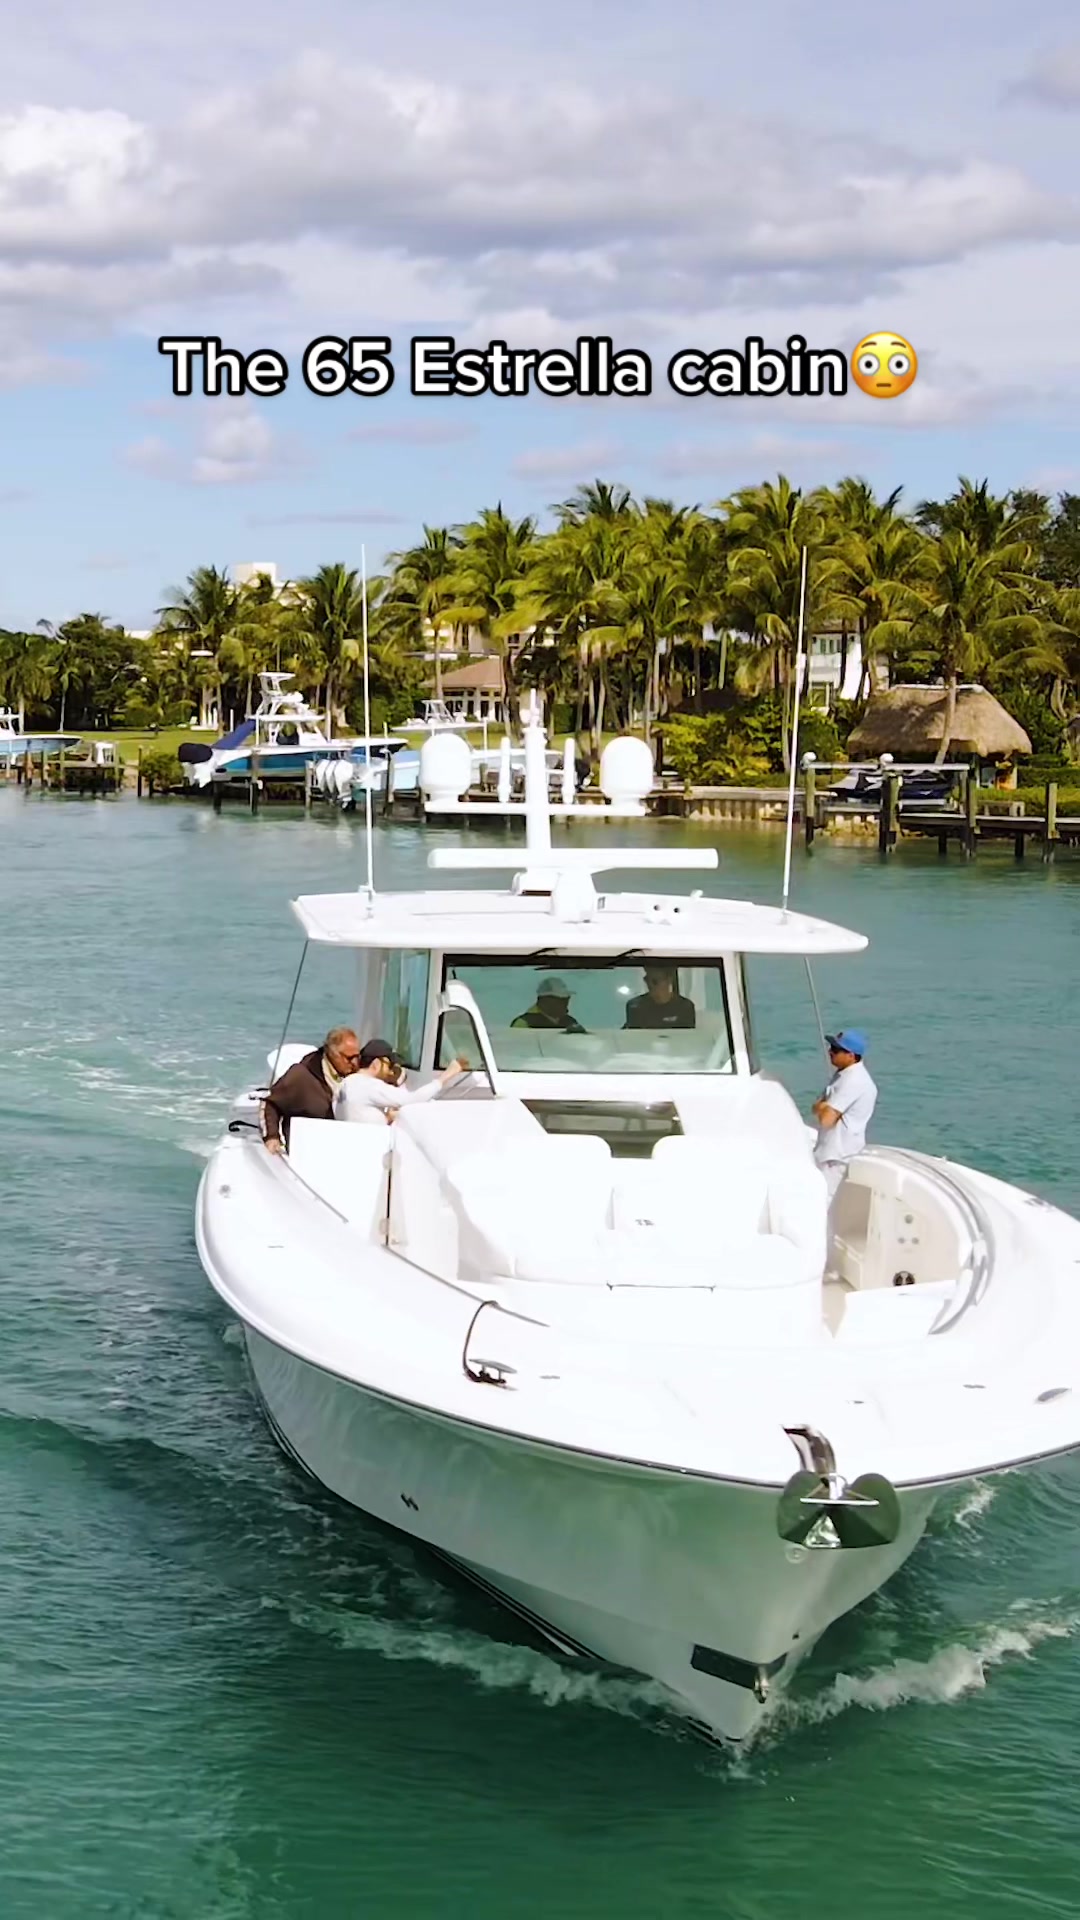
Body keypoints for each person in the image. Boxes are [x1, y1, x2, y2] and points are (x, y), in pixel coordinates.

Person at [262, 1026, 362, 1153]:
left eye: (357, 1057)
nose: (355, 1063)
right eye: (349, 1058)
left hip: (342, 1148)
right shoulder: (301, 1076)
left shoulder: (358, 1077)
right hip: (305, 1151)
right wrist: (272, 1136)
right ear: (333, 1054)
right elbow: (272, 1104)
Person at [811, 1029, 878, 1203]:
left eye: (836, 1049)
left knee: (821, 1203)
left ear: (851, 1055)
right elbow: (816, 1107)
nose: (830, 1051)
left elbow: (826, 1120)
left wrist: (824, 1106)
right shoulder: (843, 1075)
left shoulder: (854, 1081)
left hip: (836, 1157)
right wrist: (823, 1106)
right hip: (828, 1153)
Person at [337, 1038, 468, 1124]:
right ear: (376, 1064)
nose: (390, 1071)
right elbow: (413, 1099)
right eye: (389, 1065)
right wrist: (447, 1075)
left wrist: (386, 1118)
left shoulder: (345, 1084)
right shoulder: (370, 1086)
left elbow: (357, 1116)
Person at [624, 964, 696, 1030]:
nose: (650, 984)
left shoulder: (685, 1007)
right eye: (647, 980)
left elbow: (687, 1037)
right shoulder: (636, 1006)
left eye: (655, 981)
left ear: (669, 980)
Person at [511, 977, 587, 1033]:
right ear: (544, 1000)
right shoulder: (524, 1023)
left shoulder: (570, 1022)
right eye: (560, 999)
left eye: (567, 999)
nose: (565, 1003)